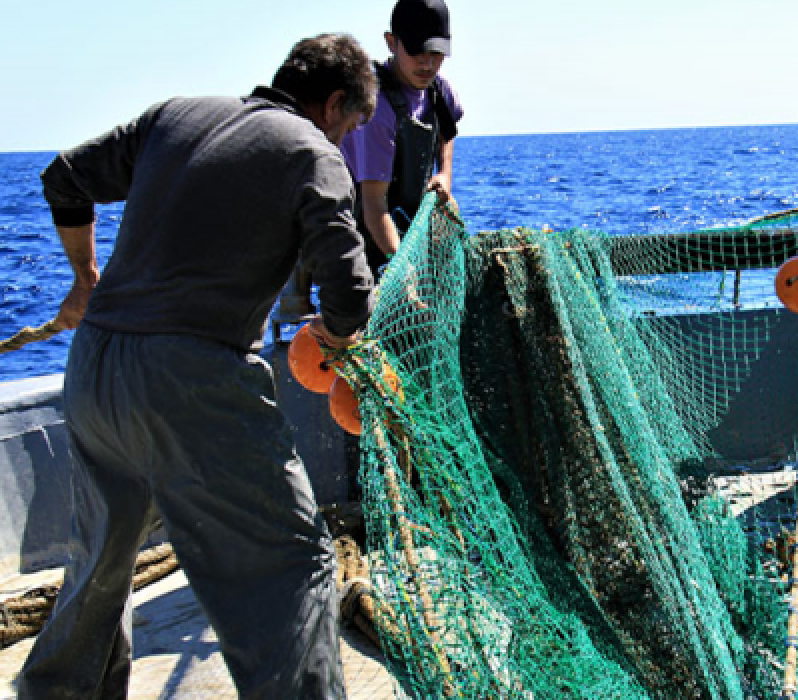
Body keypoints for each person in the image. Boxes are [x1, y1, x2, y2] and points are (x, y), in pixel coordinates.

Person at [17, 33, 378, 699]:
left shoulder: (173, 116)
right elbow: (352, 298)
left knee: (100, 563)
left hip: (96, 369)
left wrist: (84, 277)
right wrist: (330, 333)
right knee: (292, 564)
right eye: (353, 126)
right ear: (333, 105)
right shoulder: (313, 154)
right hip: (195, 379)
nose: (348, 141)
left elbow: (63, 175)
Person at [341, 0, 465, 276]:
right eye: (416, 50)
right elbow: (374, 205)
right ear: (391, 43)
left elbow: (447, 130)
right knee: (358, 309)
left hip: (402, 226)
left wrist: (444, 173)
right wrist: (403, 272)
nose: (427, 62)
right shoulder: (376, 110)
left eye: (436, 52)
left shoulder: (440, 92)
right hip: (360, 232)